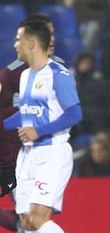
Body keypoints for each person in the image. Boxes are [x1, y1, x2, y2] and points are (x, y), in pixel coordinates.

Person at [3, 19, 82, 232]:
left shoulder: (58, 74)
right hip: (27, 156)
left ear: (31, 43)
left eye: (19, 40)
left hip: (52, 154)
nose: (15, 45)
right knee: (27, 223)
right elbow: (26, 114)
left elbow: (75, 113)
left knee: (38, 220)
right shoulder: (27, 75)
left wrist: (38, 131)